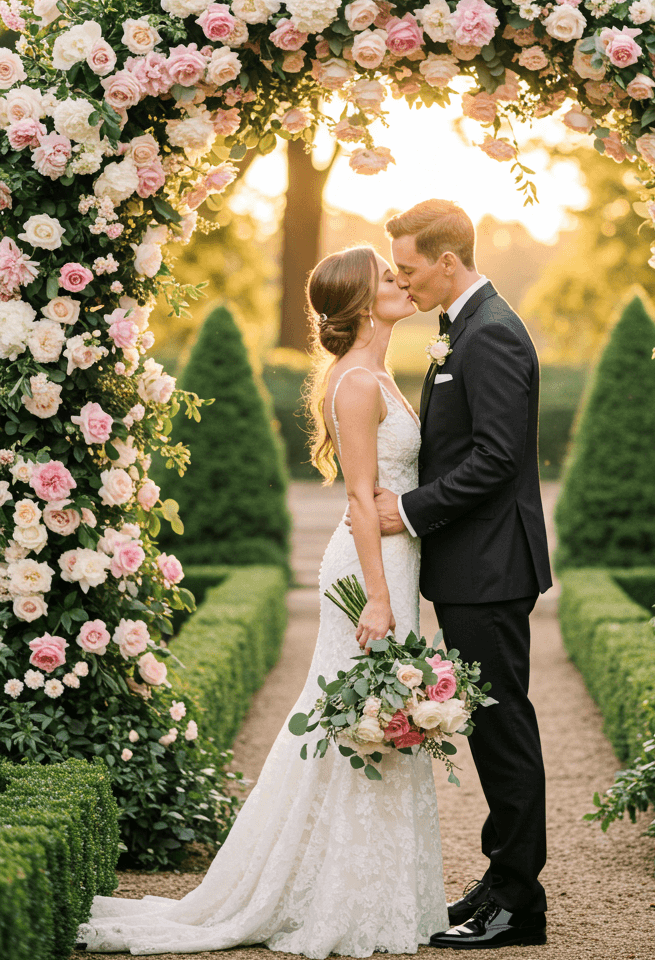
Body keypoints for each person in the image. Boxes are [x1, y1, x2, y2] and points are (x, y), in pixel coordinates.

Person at [77, 246, 448, 957]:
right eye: (388, 278)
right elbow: (360, 501)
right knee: (357, 721)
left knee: (380, 721)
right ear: (362, 303)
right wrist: (376, 598)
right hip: (369, 574)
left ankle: (378, 892)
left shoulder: (380, 373)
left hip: (394, 566)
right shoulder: (356, 383)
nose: (402, 282)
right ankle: (332, 896)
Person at [377, 199, 552, 952]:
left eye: (411, 268)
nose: (404, 282)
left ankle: (521, 900)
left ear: (448, 262)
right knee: (489, 722)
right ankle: (501, 877)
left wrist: (408, 512)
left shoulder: (492, 335)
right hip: (471, 566)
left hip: (490, 566)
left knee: (503, 724)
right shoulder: (461, 329)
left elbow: (496, 459)